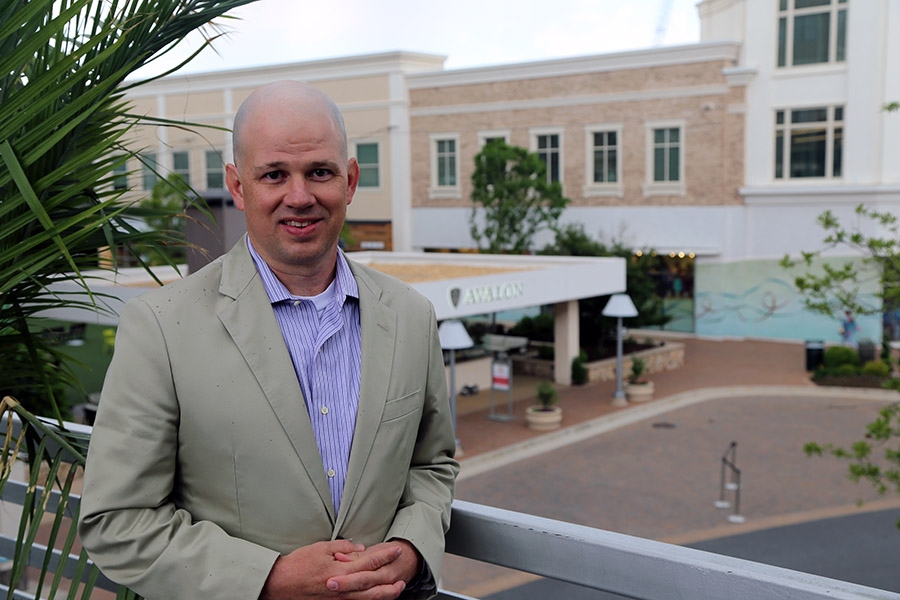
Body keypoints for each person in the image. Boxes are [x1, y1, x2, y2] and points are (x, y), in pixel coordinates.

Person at [78, 81, 459, 600]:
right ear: (238, 186)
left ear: (349, 181)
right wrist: (269, 579)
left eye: (319, 172)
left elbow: (432, 466)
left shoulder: (413, 316)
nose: (299, 196)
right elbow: (116, 521)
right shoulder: (161, 328)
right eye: (274, 174)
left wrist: (409, 550)